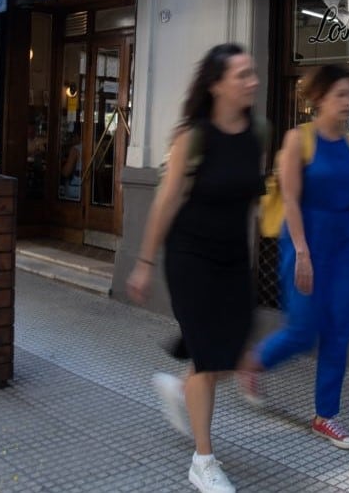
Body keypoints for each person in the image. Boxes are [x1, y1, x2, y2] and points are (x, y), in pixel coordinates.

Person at [126, 43, 262, 493]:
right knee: (208, 358)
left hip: (233, 260)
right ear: (217, 85)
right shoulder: (194, 136)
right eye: (242, 75)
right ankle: (203, 462)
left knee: (226, 353)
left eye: (252, 73)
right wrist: (144, 263)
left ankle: (178, 387)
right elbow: (166, 202)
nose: (253, 81)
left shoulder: (257, 133)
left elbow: (249, 205)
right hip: (191, 258)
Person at [238, 64, 349, 450]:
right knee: (303, 329)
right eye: (340, 94)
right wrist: (302, 253)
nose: (348, 101)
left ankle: (326, 416)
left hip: (344, 243)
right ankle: (254, 362)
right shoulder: (298, 140)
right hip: (306, 239)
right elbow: (290, 200)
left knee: (339, 329)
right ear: (320, 98)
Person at [59, 126, 82, 200]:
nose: (72, 140)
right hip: (92, 190)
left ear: (77, 136)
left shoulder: (76, 149)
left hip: (77, 188)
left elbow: (66, 172)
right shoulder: (97, 146)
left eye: (73, 137)